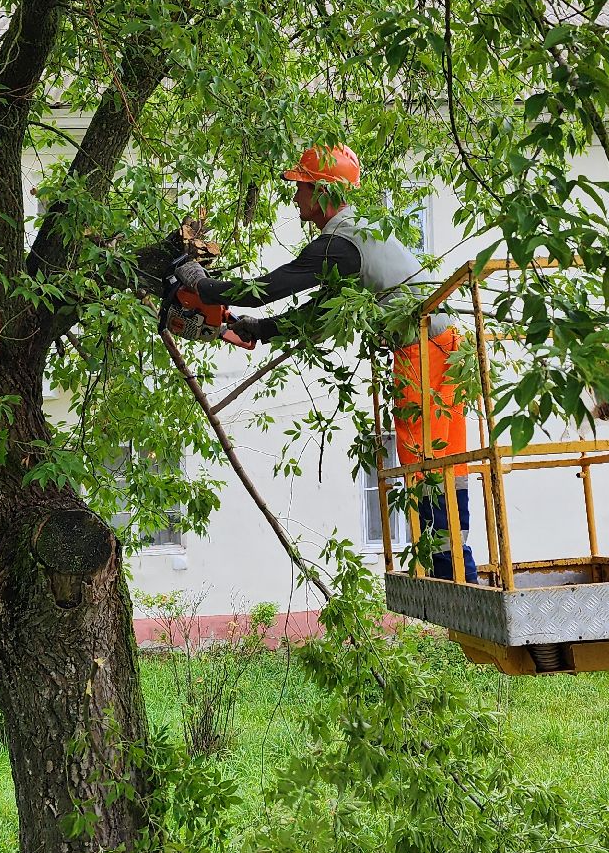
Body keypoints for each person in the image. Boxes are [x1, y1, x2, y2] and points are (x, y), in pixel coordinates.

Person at [171, 144, 478, 583]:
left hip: (423, 354)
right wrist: (255, 330)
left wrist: (204, 287)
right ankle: (457, 569)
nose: (295, 199)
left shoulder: (338, 245)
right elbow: (318, 317)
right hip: (448, 349)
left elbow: (269, 287)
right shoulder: (361, 235)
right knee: (447, 464)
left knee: (422, 460)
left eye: (301, 188)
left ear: (324, 192)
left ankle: (448, 574)